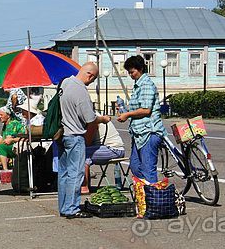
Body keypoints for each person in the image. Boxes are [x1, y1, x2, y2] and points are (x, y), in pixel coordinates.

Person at [58, 62, 110, 219]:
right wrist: (103, 118)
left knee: (64, 173)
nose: (91, 83)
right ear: (90, 75)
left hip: (62, 134)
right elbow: (89, 118)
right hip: (75, 136)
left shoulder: (65, 83)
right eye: (92, 80)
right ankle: (72, 209)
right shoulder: (80, 90)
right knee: (76, 173)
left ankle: (64, 206)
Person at [117, 55, 167, 183]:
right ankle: (144, 193)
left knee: (148, 168)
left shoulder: (146, 85)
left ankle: (152, 199)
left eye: (132, 72)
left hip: (149, 132)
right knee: (134, 166)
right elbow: (136, 108)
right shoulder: (138, 85)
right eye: (129, 72)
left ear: (140, 69)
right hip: (138, 133)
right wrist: (125, 111)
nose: (130, 75)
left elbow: (146, 110)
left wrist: (127, 115)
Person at [0, 106, 25, 171]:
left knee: (0, 147)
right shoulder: (5, 125)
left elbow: (8, 139)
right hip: (8, 143)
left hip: (16, 144)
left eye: (1, 115)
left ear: (8, 115)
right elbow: (1, 138)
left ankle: (5, 170)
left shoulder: (13, 123)